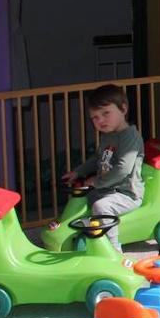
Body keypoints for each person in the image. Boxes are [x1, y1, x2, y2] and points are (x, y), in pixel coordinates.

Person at [58, 84, 143, 251]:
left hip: (126, 193)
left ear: (123, 109)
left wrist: (96, 181)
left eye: (106, 113)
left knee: (101, 207)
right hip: (106, 189)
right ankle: (82, 234)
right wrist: (79, 172)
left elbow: (122, 169)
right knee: (80, 198)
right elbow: (98, 158)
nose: (100, 121)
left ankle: (114, 249)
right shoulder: (108, 135)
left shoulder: (129, 136)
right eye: (95, 117)